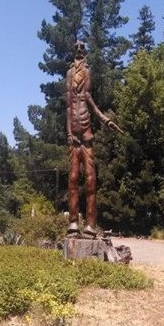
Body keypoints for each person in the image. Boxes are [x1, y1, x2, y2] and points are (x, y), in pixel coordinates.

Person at [66, 41, 122, 237]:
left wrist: (105, 120)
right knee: (73, 179)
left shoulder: (87, 72)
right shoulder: (69, 73)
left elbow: (89, 97)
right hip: (74, 134)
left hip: (86, 131)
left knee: (91, 179)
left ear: (85, 53)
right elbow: (68, 105)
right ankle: (73, 223)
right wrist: (69, 133)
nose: (79, 51)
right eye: (76, 48)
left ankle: (91, 224)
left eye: (82, 48)